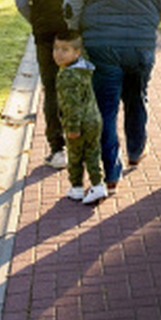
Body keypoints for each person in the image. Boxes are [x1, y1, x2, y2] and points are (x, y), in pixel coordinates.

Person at [62, 0, 161, 190]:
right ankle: (136, 151)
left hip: (101, 45)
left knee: (105, 108)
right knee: (137, 97)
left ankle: (111, 173)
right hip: (140, 44)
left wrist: (77, 34)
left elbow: (71, 2)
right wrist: (149, 25)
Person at [15, 0, 83, 168]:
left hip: (46, 36)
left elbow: (21, 1)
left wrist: (37, 20)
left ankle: (58, 149)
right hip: (74, 34)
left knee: (52, 89)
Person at [51, 31, 108, 205]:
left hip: (79, 122)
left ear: (77, 53)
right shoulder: (84, 67)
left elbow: (71, 105)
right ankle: (98, 185)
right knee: (92, 153)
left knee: (75, 155)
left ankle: (76, 187)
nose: (59, 54)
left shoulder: (67, 76)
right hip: (94, 119)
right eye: (56, 48)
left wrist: (72, 128)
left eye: (65, 50)